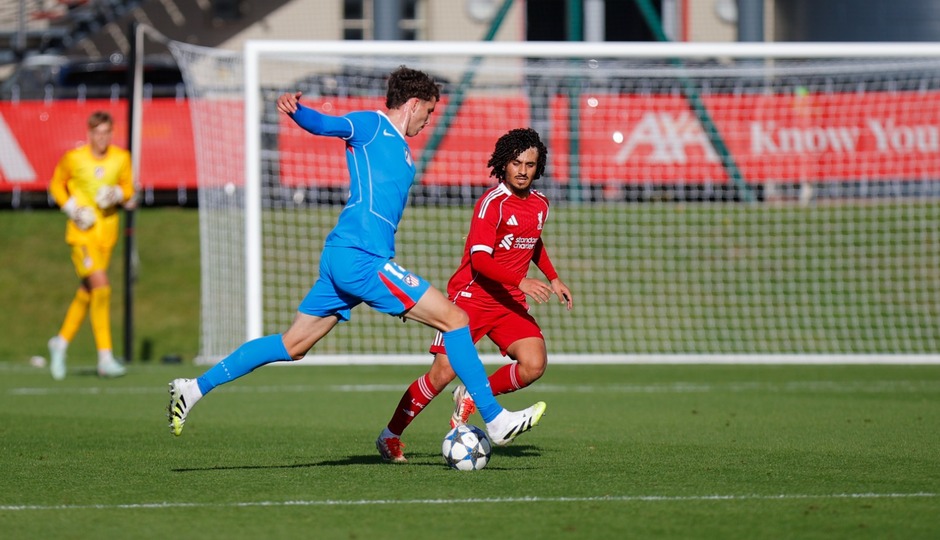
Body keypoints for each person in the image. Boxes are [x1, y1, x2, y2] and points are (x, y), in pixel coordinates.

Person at [166, 66, 546, 452]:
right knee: (456, 318)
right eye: (428, 112)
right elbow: (327, 125)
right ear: (413, 104)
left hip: (343, 256)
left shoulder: (400, 145)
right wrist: (298, 112)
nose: (428, 120)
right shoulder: (372, 126)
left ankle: (194, 388)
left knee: (293, 345)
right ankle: (494, 418)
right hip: (362, 256)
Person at [377, 128, 572, 462]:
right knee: (441, 374)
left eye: (529, 164)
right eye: (515, 163)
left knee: (534, 363)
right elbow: (480, 260)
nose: (522, 170)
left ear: (538, 168)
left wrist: (553, 278)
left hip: (508, 302)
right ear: (503, 164)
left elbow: (532, 240)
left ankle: (470, 398)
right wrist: (522, 281)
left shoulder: (540, 205)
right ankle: (390, 436)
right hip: (472, 299)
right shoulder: (491, 204)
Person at [47, 110, 134, 380]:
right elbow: (56, 185)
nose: (102, 138)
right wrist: (72, 208)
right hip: (81, 236)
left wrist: (116, 194)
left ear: (112, 133)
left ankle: (60, 343)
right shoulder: (74, 159)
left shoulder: (122, 158)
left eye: (106, 132)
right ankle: (105, 356)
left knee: (88, 293)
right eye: (97, 133)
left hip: (107, 236)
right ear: (89, 133)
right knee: (102, 288)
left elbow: (129, 189)